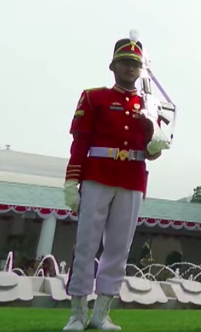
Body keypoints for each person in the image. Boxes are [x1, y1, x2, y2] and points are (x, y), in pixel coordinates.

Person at [63, 38, 159, 332]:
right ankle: (77, 313)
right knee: (87, 245)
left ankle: (101, 313)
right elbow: (80, 141)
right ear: (113, 65)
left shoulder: (149, 104)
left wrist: (155, 136)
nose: (130, 68)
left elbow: (153, 152)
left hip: (131, 178)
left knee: (119, 248)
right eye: (125, 62)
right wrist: (72, 180)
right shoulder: (94, 97)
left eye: (135, 64)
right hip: (98, 175)